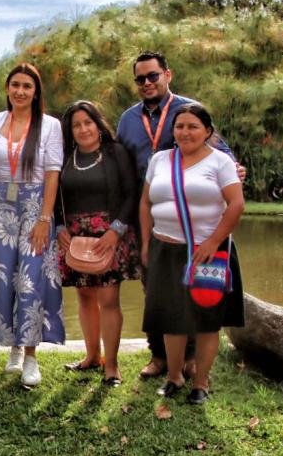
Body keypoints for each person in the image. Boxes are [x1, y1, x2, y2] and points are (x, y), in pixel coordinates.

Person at [116, 51, 243, 380]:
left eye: (152, 76)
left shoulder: (188, 108)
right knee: (156, 293)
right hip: (151, 214)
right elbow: (120, 162)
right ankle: (158, 356)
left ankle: (190, 361)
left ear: (167, 75)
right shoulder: (129, 119)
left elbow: (222, 155)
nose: (146, 83)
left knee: (199, 294)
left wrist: (234, 171)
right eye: (140, 79)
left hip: (199, 226)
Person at [140, 103, 245, 404]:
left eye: (193, 126)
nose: (185, 132)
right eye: (180, 126)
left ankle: (201, 383)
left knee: (206, 320)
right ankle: (174, 377)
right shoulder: (160, 159)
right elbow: (145, 203)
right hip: (165, 248)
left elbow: (236, 204)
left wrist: (213, 241)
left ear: (208, 131)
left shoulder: (220, 162)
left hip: (208, 253)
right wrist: (147, 243)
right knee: (171, 318)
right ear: (173, 131)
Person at [0, 63, 65, 388]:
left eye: (27, 86)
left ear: (36, 91)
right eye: (15, 85)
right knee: (3, 278)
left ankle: (30, 356)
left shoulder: (50, 126)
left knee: (31, 280)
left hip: (33, 208)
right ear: (7, 88)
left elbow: (53, 172)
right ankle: (12, 347)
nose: (20, 91)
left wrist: (45, 218)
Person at [54, 101, 139, 387]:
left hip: (109, 234)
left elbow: (131, 193)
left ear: (98, 124)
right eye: (76, 125)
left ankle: (112, 366)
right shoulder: (65, 156)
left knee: (108, 299)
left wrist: (117, 230)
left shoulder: (116, 153)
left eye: (88, 122)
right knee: (84, 297)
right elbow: (53, 196)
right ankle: (92, 356)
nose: (83, 129)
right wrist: (59, 226)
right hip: (75, 237)